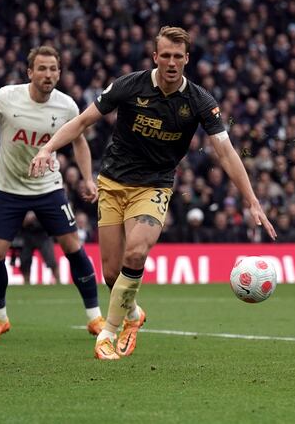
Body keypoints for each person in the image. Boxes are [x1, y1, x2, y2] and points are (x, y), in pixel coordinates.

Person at [30, 26, 277, 360]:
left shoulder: (199, 101)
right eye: (166, 55)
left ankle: (109, 332)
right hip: (113, 183)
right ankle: (133, 315)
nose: (172, 62)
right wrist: (48, 150)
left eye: (178, 56)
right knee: (113, 274)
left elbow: (226, 152)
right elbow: (81, 122)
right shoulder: (129, 85)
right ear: (155, 56)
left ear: (187, 59)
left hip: (154, 186)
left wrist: (251, 199)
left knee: (136, 253)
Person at [0, 46, 102, 341]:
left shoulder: (66, 106)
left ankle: (94, 317)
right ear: (30, 72)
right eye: (42, 68)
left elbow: (79, 142)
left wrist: (88, 179)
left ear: (59, 73)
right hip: (9, 189)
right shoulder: (4, 98)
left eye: (53, 69)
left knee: (72, 247)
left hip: (48, 188)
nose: (48, 74)